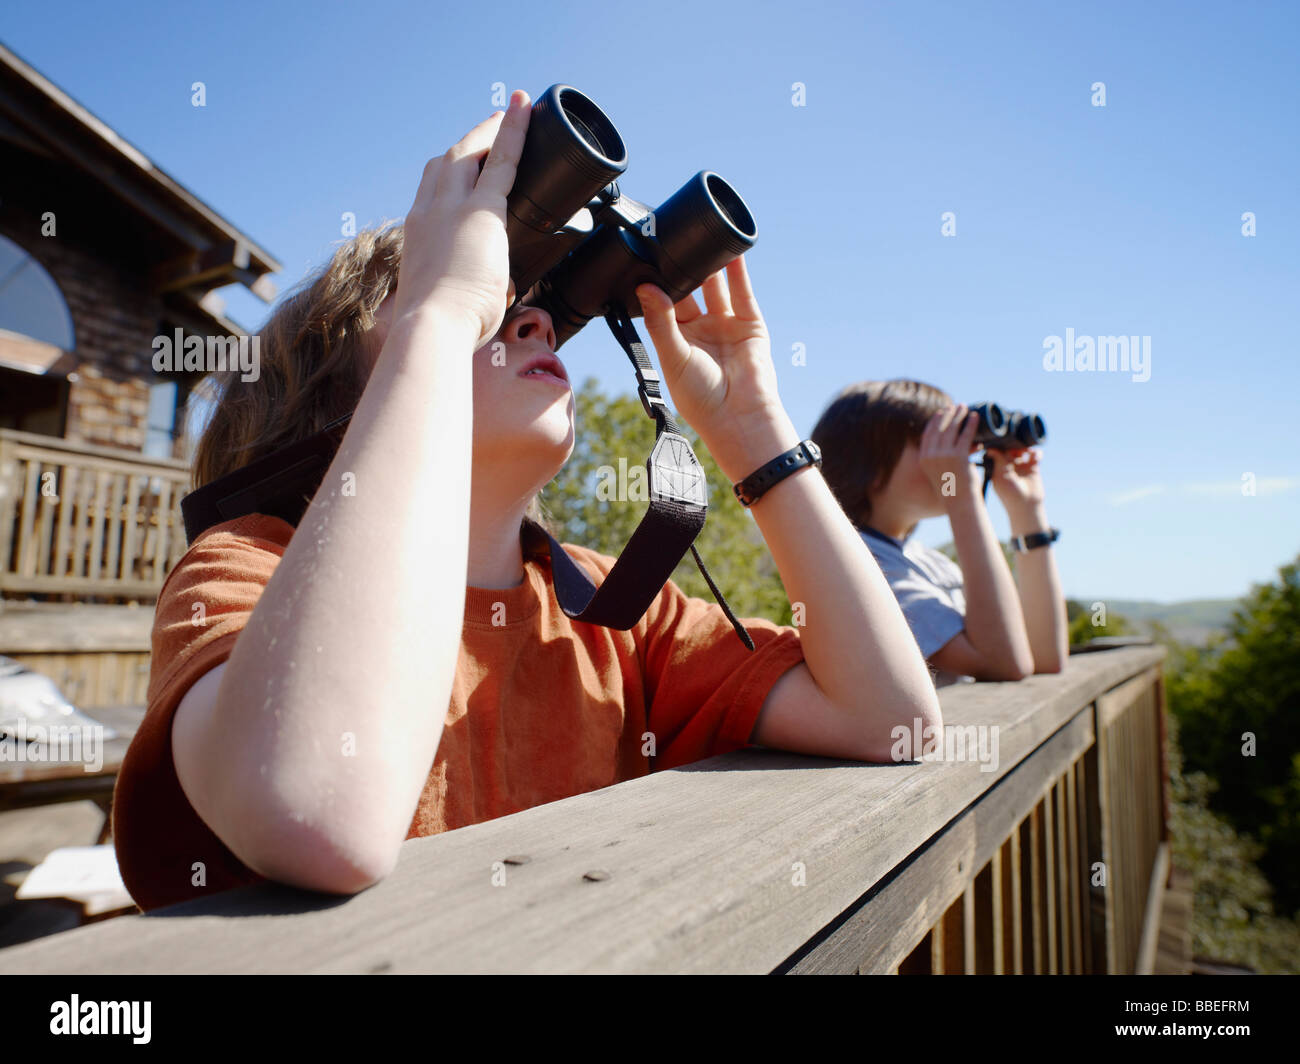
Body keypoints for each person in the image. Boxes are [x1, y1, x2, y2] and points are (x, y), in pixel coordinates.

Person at [112, 91, 942, 913]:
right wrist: (440, 318)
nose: (535, 323)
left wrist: (753, 429)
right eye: (490, 306)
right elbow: (316, 812)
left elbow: (888, 719)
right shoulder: (247, 574)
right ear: (337, 403)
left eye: (537, 309)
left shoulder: (611, 611)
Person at [811, 380, 1068, 687]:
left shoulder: (930, 563)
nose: (956, 456)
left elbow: (1044, 658)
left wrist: (1026, 512)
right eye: (934, 441)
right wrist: (961, 497)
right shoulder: (864, 569)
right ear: (868, 465)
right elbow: (1004, 662)